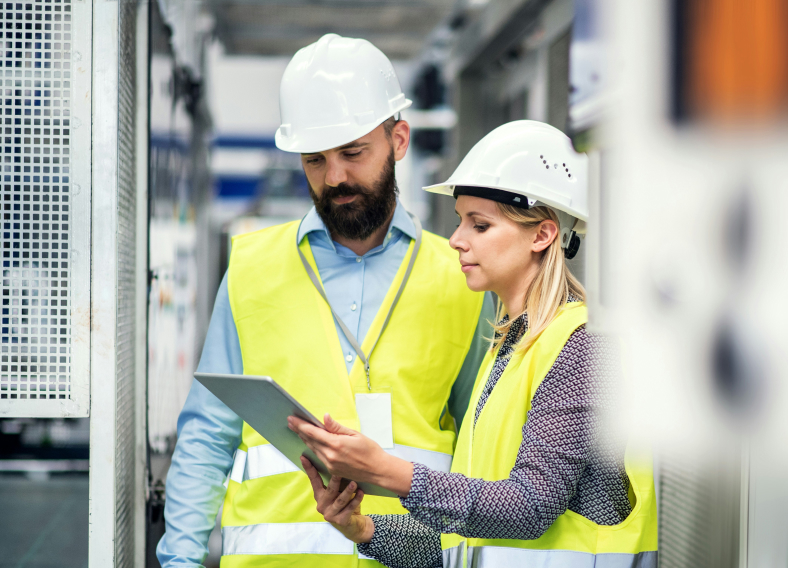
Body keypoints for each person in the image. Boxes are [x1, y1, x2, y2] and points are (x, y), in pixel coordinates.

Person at [156, 34, 495, 567]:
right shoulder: (251, 269)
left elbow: (486, 444)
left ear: (399, 139)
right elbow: (207, 436)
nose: (335, 176)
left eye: (353, 153)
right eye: (314, 160)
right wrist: (180, 560)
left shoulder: (463, 276)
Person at [289, 121, 659, 568]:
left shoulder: (579, 347)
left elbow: (528, 508)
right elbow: (466, 542)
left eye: (479, 225)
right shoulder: (510, 348)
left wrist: (388, 471)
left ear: (542, 235)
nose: (457, 240)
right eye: (461, 221)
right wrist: (362, 529)